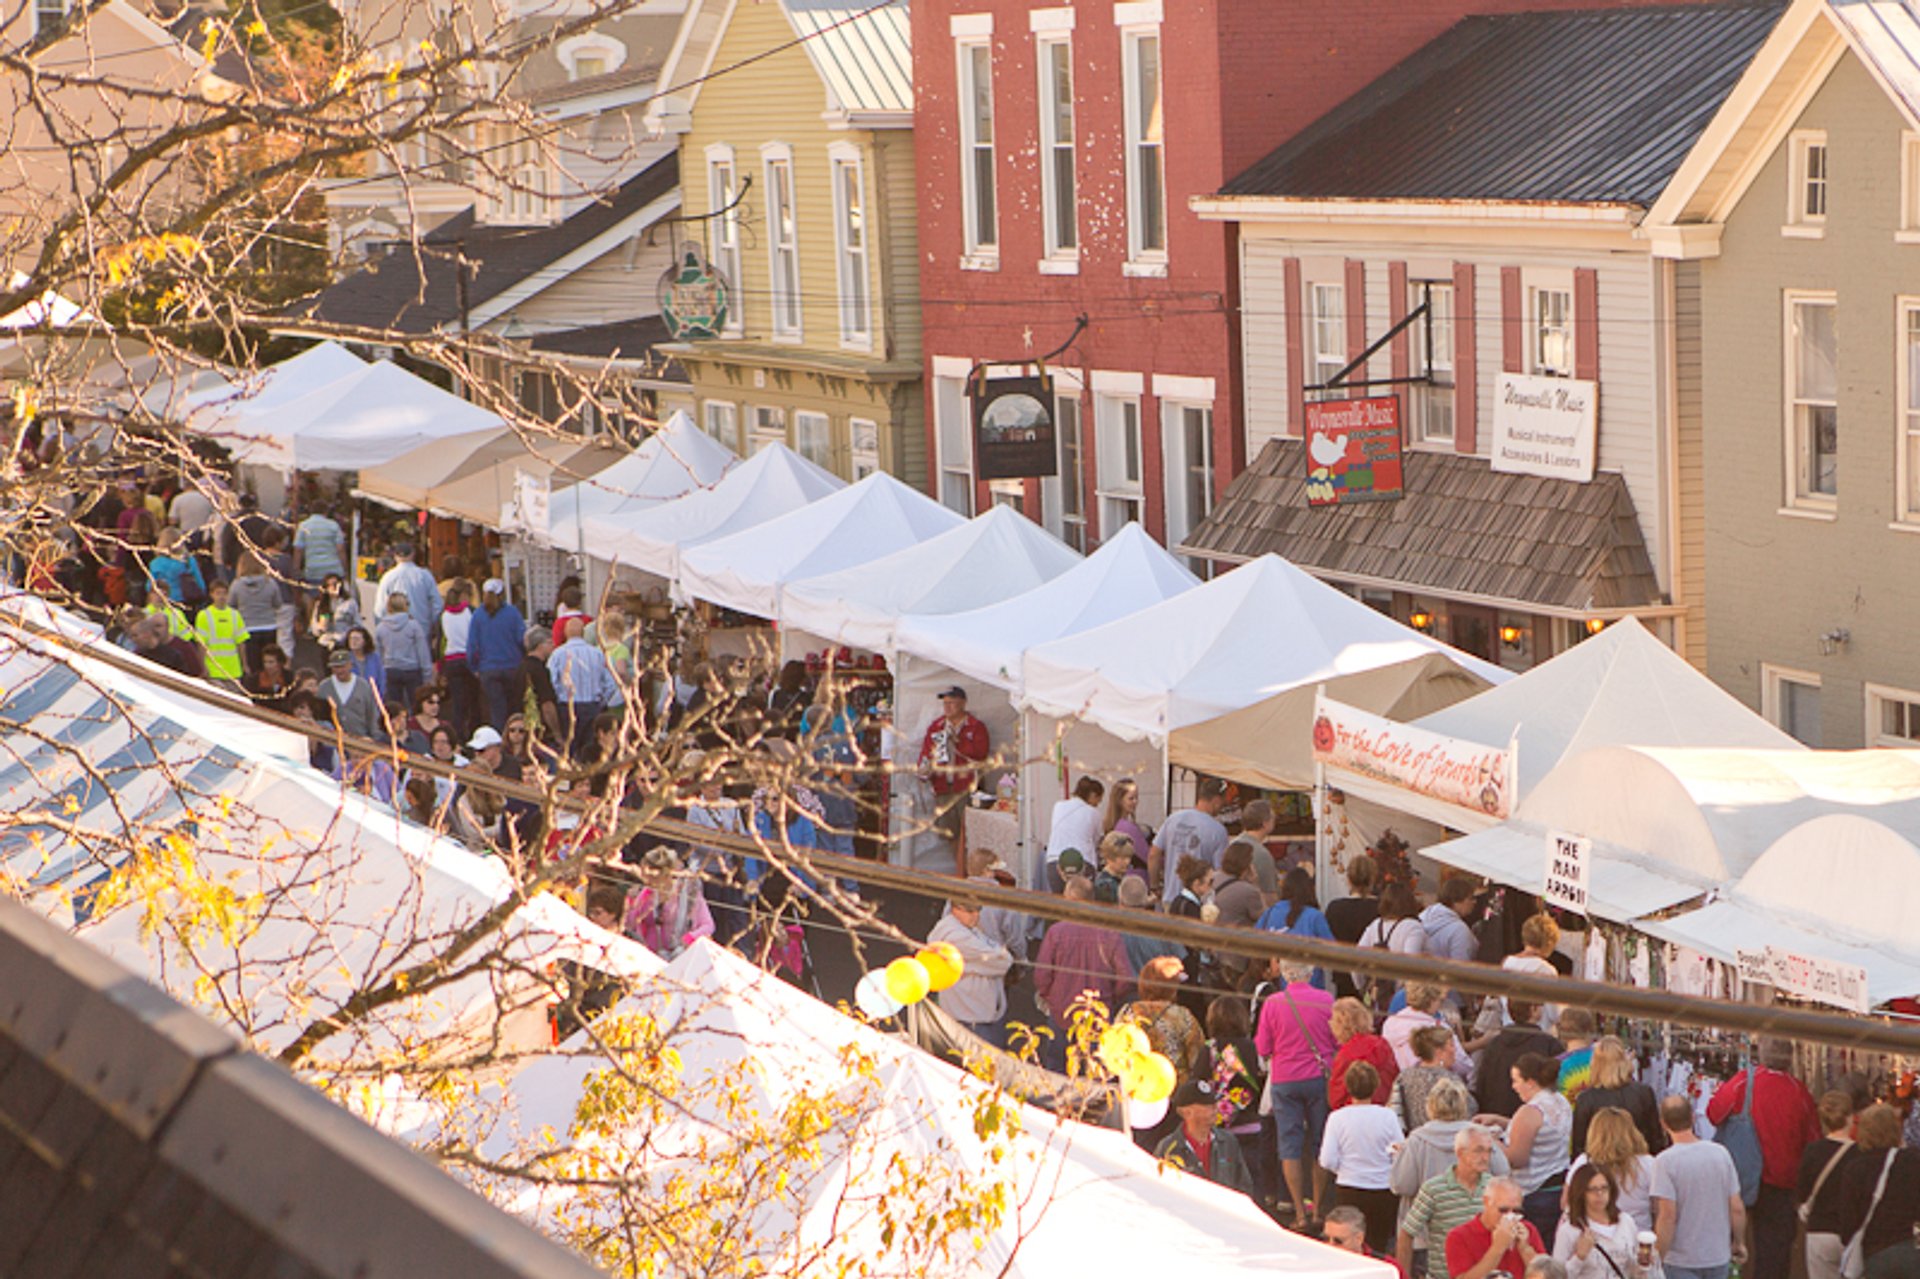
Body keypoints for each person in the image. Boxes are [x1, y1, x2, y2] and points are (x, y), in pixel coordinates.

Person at [1704, 1037, 1818, 1279]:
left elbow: (1714, 1114)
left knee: (1725, 1246)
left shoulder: (1744, 1081)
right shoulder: (1800, 1092)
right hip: (1782, 1183)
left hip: (1740, 1177)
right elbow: (1813, 1140)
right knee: (1773, 1255)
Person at [1256, 957, 1338, 1229]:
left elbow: (1263, 1047)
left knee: (1288, 1145)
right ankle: (1318, 1210)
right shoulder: (1326, 1000)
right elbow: (1336, 1039)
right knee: (1319, 1143)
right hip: (1318, 1076)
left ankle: (1299, 1214)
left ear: (1285, 974)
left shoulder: (1273, 1003)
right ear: (1311, 971)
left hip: (1285, 1079)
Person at [1029, 876, 1132, 1072]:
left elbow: (1041, 975)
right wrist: (1110, 998)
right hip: (1098, 1014)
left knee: (1057, 1070)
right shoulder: (1110, 935)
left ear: (1069, 899)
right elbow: (1125, 978)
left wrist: (1051, 997)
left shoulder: (1056, 932)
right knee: (1097, 1072)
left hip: (1062, 1012)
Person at [1651, 1093, 1747, 1279]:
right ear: (1693, 1118)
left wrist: (1658, 1257)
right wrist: (1739, 1242)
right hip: (1717, 1255)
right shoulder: (1720, 1153)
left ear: (1663, 1124)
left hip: (1681, 1259)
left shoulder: (1664, 1162)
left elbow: (1667, 1215)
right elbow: (1736, 1207)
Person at [1321, 1060, 1405, 1253]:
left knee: (1347, 1247)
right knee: (1378, 1246)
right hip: (1382, 1188)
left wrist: (1343, 1169)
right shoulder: (1387, 1116)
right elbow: (1399, 1150)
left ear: (1348, 1087)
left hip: (1349, 1186)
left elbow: (1327, 1159)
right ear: (1375, 1086)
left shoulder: (1337, 1118)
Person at [1399, 1121, 1499, 1279]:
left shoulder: (1493, 1187)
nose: (1485, 1157)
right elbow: (1407, 1233)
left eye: (1489, 1151)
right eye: (1478, 1151)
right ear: (1460, 1153)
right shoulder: (1434, 1189)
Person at [1835, 1103, 1920, 1272]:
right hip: (1909, 1248)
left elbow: (1848, 1221)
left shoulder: (1855, 1169)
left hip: (1875, 1251)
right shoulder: (1912, 1161)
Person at [1203, 996, 1270, 1208]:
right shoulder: (1251, 1047)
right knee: (1252, 1179)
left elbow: (1198, 1084)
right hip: (1250, 1125)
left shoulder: (1209, 1048)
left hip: (1218, 1128)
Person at [918, 685, 990, 877]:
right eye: (945, 703)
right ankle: (961, 872)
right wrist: (924, 769)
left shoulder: (975, 726)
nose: (947, 707)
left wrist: (960, 743)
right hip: (943, 787)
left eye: (952, 703)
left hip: (966, 788)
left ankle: (970, 874)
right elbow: (926, 754)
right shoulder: (936, 727)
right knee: (950, 833)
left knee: (968, 835)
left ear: (963, 704)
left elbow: (981, 754)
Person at [927, 897, 1014, 1048]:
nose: (976, 915)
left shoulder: (965, 929)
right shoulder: (957, 936)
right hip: (974, 1019)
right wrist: (1000, 951)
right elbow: (1003, 961)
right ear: (955, 908)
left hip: (969, 1013)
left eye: (979, 909)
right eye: (970, 910)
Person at [1798, 1089, 1865, 1279]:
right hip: (1852, 1233)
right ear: (1851, 1118)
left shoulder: (1812, 1151)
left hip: (1819, 1230)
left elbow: (1801, 1192)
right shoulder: (1861, 1154)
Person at [1571, 1037, 1667, 1161]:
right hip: (1638, 1166)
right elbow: (1655, 1138)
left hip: (1601, 1168)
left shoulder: (1586, 1099)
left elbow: (1579, 1147)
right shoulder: (1643, 1093)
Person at [1567, 1106, 1658, 1236]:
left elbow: (1567, 1202)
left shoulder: (1584, 1163)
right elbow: (1659, 1208)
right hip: (1638, 1237)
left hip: (1594, 1239)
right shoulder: (1648, 1164)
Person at [1155, 1079, 1254, 1196]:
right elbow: (1159, 1192)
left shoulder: (1228, 1142)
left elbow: (1244, 1188)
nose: (1215, 1108)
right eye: (1207, 1105)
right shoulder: (1168, 1148)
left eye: (1214, 1103)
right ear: (1187, 1112)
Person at [1119, 956, 1205, 1087]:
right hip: (1172, 1088)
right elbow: (1197, 1058)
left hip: (1137, 1086)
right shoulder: (1182, 1016)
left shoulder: (1127, 1012)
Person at [1446, 1176, 1546, 1279]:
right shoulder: (1459, 1236)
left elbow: (1547, 1275)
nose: (1510, 1216)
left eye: (1516, 1211)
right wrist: (1497, 1248)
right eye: (1503, 1210)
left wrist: (1525, 1248)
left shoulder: (1528, 1230)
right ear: (1486, 1202)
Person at [621, 848, 713, 960]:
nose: (648, 881)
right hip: (650, 956)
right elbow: (630, 924)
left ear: (666, 874)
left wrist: (688, 939)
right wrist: (631, 902)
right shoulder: (645, 893)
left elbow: (708, 926)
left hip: (680, 957)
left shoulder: (689, 893)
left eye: (652, 877)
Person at [1478, 1001, 1563, 1119]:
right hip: (1535, 1121)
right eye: (1540, 1004)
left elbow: (1481, 1083)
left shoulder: (1494, 1044)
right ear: (1533, 1009)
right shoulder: (1549, 1044)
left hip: (1495, 1118)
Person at [1151, 776, 1229, 904]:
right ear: (1216, 800)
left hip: (1170, 898)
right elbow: (1218, 871)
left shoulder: (1173, 819)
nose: (1222, 807)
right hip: (1197, 902)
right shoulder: (1218, 831)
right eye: (1222, 802)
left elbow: (1153, 854)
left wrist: (1155, 886)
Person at [549, 616, 617, 760]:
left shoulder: (557, 655)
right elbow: (611, 683)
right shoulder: (598, 654)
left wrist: (558, 698)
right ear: (583, 633)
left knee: (570, 750)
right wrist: (601, 701)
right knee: (591, 750)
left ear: (566, 633)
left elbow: (551, 683)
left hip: (567, 707)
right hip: (593, 706)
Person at [1256, 867, 1335, 989]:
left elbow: (1255, 945)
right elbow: (1332, 952)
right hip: (1311, 989)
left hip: (1278, 988)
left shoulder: (1270, 913)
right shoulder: (1315, 917)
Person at [466, 579, 527, 732]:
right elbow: (522, 639)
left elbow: (472, 645)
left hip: (488, 669)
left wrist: (474, 667)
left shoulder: (478, 615)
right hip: (512, 667)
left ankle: (499, 740)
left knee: (496, 710)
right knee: (514, 708)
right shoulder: (513, 613)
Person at [1358, 881, 1430, 1007]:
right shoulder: (1413, 927)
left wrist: (1361, 987)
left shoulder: (1375, 925)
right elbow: (1411, 965)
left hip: (1375, 997)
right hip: (1403, 999)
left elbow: (1356, 959)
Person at [1386, 982, 1474, 1085]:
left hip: (1399, 1085)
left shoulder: (1390, 1023)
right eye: (1439, 1000)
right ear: (1431, 1000)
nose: (1440, 1003)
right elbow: (1464, 1065)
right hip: (1435, 1087)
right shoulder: (1438, 1028)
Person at [1325, 853, 1381, 1001]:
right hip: (1375, 979)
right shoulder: (1382, 908)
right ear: (1373, 879)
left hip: (1342, 976)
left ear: (1348, 879)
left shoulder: (1335, 908)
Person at [1390, 1026, 1463, 1137]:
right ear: (1439, 1052)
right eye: (1451, 1045)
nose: (1455, 1050)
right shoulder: (1450, 1081)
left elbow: (1396, 1114)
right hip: (1445, 1142)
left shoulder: (1403, 1077)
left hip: (1413, 1142)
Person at [1329, 996, 1399, 1110]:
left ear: (1340, 1025)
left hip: (1353, 1113)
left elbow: (1336, 1098)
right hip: (1384, 1109)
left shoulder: (1345, 1055)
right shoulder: (1382, 1044)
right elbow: (1394, 1076)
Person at [1210, 841, 1265, 976]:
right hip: (1236, 957)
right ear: (1247, 866)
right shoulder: (1247, 891)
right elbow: (1264, 917)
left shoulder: (1213, 879)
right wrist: (1256, 884)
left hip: (1214, 951)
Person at [1044, 775, 1106, 891]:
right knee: (1082, 903)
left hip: (1054, 862)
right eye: (1098, 800)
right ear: (1093, 795)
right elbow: (1098, 841)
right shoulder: (1093, 813)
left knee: (1058, 904)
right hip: (1082, 861)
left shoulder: (1058, 806)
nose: (1098, 804)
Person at [376, 592, 433, 709]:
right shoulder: (413, 625)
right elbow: (422, 651)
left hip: (390, 669)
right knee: (416, 705)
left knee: (394, 707)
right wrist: (428, 675)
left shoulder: (381, 627)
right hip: (412, 670)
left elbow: (378, 653)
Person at [228, 552, 284, 671]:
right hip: (269, 627)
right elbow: (278, 604)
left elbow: (230, 605)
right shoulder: (270, 583)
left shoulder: (237, 585)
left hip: (247, 628)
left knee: (252, 665)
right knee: (270, 665)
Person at [436, 578, 477, 740]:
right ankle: (473, 732)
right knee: (474, 699)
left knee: (458, 702)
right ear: (465, 595)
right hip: (468, 659)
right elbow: (475, 638)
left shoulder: (444, 615)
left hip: (451, 661)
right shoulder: (471, 612)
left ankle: (458, 735)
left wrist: (440, 666)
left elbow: (440, 642)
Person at [374, 541, 441, 635]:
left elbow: (380, 609)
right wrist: (432, 624)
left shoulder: (388, 577)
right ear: (413, 554)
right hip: (422, 627)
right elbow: (437, 604)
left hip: (395, 630)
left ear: (395, 556)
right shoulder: (425, 575)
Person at [319, 647, 384, 742]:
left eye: (343, 666)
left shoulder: (363, 686)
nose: (340, 671)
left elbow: (372, 714)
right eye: (336, 667)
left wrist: (375, 738)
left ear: (350, 665)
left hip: (360, 740)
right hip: (333, 741)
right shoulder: (324, 687)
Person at [192, 578, 249, 687]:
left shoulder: (235, 615)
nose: (221, 597)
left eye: (224, 593)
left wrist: (244, 664)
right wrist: (202, 667)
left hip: (233, 670)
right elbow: (201, 644)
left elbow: (241, 642)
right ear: (211, 595)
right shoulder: (204, 615)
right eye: (218, 593)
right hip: (214, 670)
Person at [1227, 797, 1281, 905]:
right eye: (1272, 818)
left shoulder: (1232, 845)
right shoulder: (1261, 854)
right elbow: (1269, 896)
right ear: (1265, 823)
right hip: (1252, 913)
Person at [1422, 877, 1481, 965]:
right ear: (1457, 901)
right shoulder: (1459, 930)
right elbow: (1461, 968)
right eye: (1471, 898)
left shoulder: (1423, 915)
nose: (1474, 902)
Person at [522, 626, 563, 746]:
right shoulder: (540, 671)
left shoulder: (520, 668)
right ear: (539, 645)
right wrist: (557, 733)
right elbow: (547, 705)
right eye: (549, 642)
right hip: (542, 732)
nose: (554, 646)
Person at [1323, 1204, 1396, 1267]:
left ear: (1359, 1239)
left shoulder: (1386, 1267)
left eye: (1338, 1241)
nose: (1330, 1246)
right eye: (1326, 1239)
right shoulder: (1317, 1261)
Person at [293, 504, 346, 588]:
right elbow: (340, 549)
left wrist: (296, 570)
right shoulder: (334, 525)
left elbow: (298, 550)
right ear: (326, 512)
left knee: (313, 597)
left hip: (313, 571)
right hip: (333, 570)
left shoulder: (303, 526)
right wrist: (344, 569)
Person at [1104, 777, 1152, 868]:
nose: (1135, 802)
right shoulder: (1127, 827)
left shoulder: (1115, 825)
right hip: (1136, 877)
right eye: (1131, 798)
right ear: (1119, 800)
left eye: (1136, 798)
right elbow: (1148, 857)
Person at [1093, 831, 1147, 905]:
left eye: (1128, 857)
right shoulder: (1104, 886)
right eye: (1122, 858)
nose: (1127, 862)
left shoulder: (1120, 879)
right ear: (1109, 858)